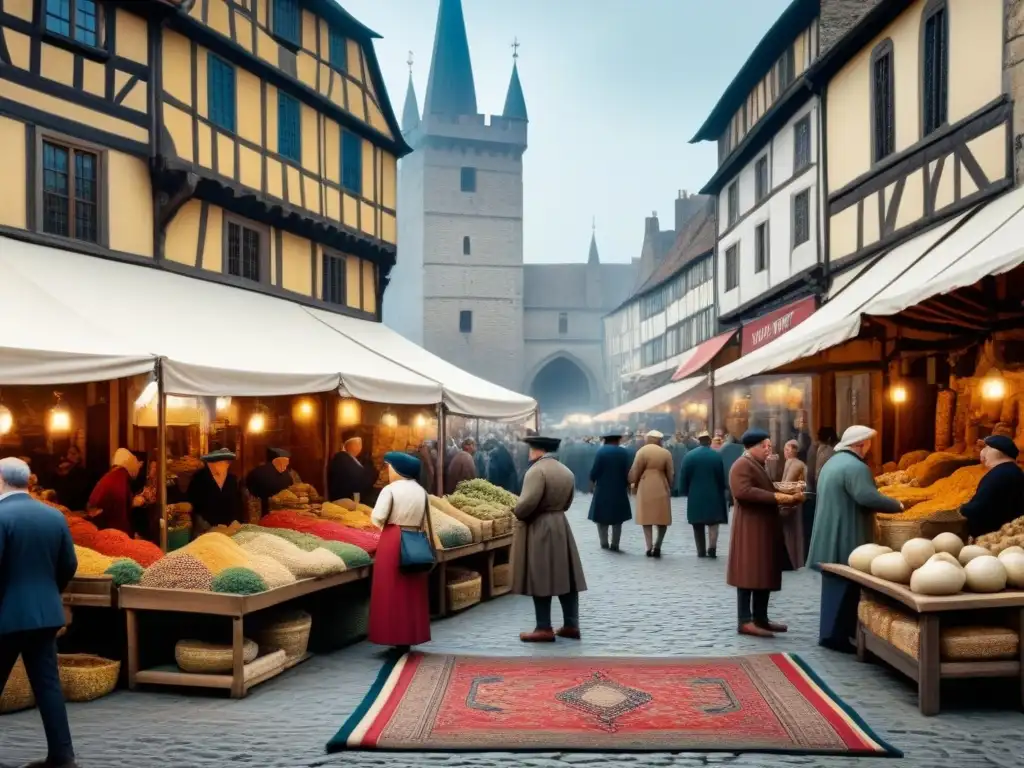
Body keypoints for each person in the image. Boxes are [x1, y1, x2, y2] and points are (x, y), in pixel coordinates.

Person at [0, 457, 79, 768]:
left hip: (6, 615)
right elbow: (69, 564)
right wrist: (49, 592)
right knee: (48, 687)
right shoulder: (54, 516)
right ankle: (63, 757)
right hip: (45, 614)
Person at [807, 425, 903, 652]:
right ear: (861, 444)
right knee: (847, 586)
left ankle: (831, 633)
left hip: (829, 531)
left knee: (834, 586)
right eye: (869, 443)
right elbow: (866, 496)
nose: (870, 447)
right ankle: (837, 637)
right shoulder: (855, 467)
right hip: (846, 534)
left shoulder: (833, 462)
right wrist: (897, 505)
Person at [726, 430, 802, 638]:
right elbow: (743, 492)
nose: (769, 450)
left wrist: (782, 494)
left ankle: (761, 618)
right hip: (750, 527)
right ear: (754, 447)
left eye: (769, 445)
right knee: (748, 572)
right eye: (765, 446)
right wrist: (779, 497)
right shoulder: (742, 465)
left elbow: (761, 488)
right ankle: (745, 620)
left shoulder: (756, 464)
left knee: (762, 572)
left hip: (762, 525)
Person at [512, 435, 588, 642]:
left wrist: (515, 510)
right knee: (567, 576)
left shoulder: (536, 471)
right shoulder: (567, 472)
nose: (529, 453)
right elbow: (568, 502)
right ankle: (572, 624)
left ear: (538, 450)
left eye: (530, 449)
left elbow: (527, 504)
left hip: (540, 526)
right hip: (561, 524)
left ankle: (543, 627)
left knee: (541, 575)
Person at [368, 452, 432, 652]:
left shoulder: (390, 490)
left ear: (397, 470)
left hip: (393, 539)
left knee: (390, 590)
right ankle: (409, 636)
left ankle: (392, 635)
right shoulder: (421, 491)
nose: (388, 472)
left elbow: (377, 517)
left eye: (389, 468)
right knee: (412, 591)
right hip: (415, 539)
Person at [961, 435, 1024, 539]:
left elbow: (980, 507)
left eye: (986, 448)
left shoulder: (997, 475)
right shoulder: (1016, 471)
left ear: (994, 451)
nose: (982, 452)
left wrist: (962, 510)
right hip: (1009, 532)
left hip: (992, 535)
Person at [679, 431, 728, 558]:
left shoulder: (689, 456)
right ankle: (712, 547)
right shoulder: (716, 456)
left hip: (695, 494)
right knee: (714, 522)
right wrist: (723, 488)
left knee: (697, 523)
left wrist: (683, 490)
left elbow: (684, 476)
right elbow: (721, 476)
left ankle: (700, 550)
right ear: (709, 441)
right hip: (714, 493)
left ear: (699, 441)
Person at [629, 429, 674, 558]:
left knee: (646, 519)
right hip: (661, 484)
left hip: (646, 484)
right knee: (662, 518)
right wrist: (669, 485)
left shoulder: (642, 452)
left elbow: (635, 470)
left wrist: (632, 482)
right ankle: (658, 544)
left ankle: (648, 547)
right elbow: (670, 472)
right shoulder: (665, 453)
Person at [587, 433, 632, 552]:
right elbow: (628, 470)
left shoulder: (601, 452)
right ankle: (615, 543)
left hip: (603, 487)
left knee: (601, 517)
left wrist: (592, 481)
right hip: (619, 488)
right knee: (618, 518)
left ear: (606, 441)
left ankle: (604, 542)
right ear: (617, 441)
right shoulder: (624, 452)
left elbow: (595, 469)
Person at [86, 448, 144, 536]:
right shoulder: (120, 479)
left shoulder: (111, 476)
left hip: (97, 527)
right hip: (110, 532)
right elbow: (120, 518)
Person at [187, 448, 244, 535]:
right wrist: (211, 526)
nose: (224, 465)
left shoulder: (231, 479)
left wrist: (235, 520)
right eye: (220, 462)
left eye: (227, 463)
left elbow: (236, 502)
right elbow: (196, 504)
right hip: (206, 525)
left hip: (230, 525)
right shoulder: (199, 478)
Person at [777, 439, 808, 570]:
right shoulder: (800, 463)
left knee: (791, 533)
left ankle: (793, 560)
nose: (785, 452)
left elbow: (786, 485)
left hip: (792, 503)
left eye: (787, 449)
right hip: (797, 501)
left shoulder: (792, 463)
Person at [245, 447, 296, 517]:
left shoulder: (256, 471)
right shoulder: (288, 473)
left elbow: (248, 488)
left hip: (263, 510)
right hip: (282, 510)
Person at [328, 437, 374, 503]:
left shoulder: (351, 458)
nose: (360, 447)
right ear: (349, 445)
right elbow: (356, 477)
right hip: (344, 499)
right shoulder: (342, 458)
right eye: (357, 444)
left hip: (353, 496)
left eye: (360, 445)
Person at [53, 446, 91, 512]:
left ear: (79, 456)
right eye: (69, 453)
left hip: (75, 508)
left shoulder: (81, 471)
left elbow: (77, 490)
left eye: (73, 454)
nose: (70, 456)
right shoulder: (63, 468)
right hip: (63, 506)